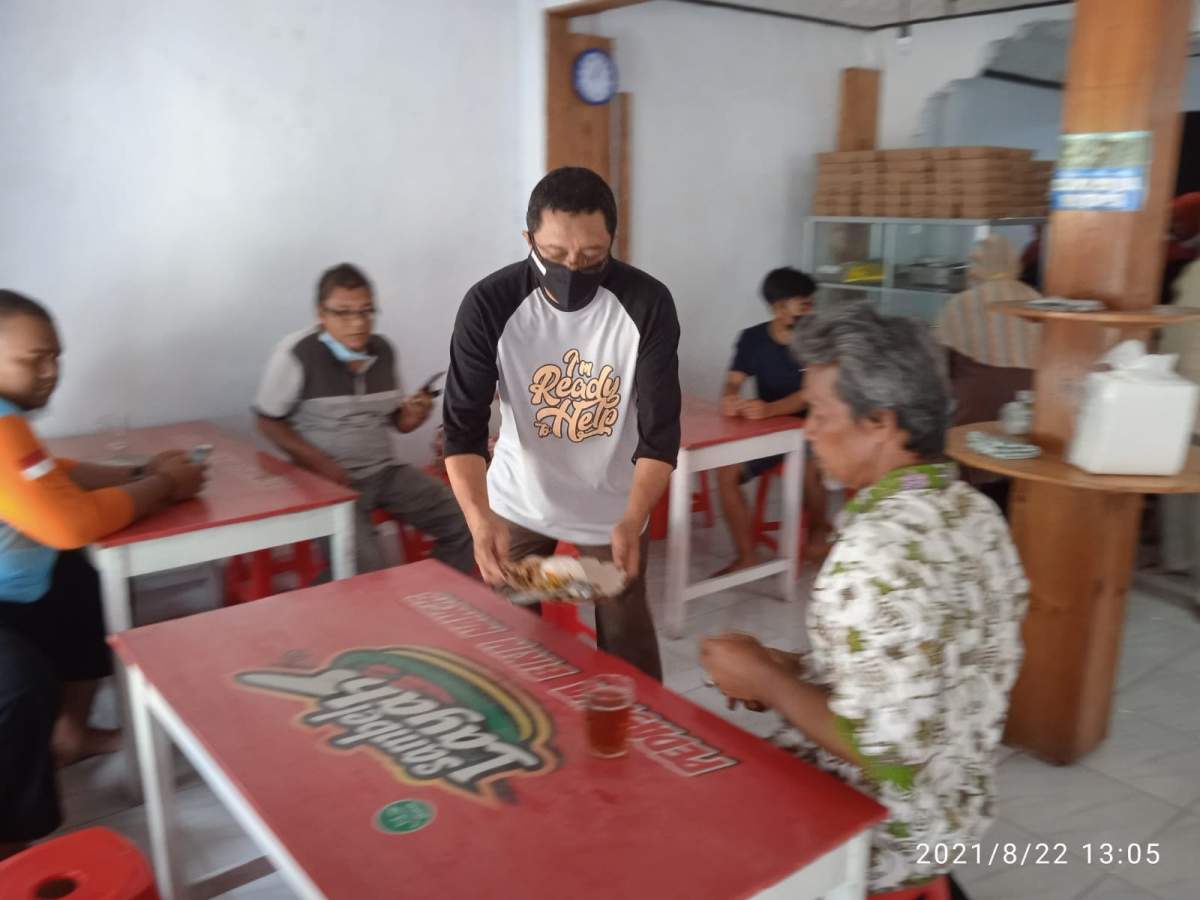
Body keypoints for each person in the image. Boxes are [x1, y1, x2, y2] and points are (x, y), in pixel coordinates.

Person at [700, 304, 1028, 895]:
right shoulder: (974, 512)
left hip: (889, 831)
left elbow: (890, 759)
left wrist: (766, 681)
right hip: (959, 804)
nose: (807, 429)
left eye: (821, 413)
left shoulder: (876, 554)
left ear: (880, 422)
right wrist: (793, 667)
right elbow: (922, 664)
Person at [443, 167, 680, 680]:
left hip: (612, 504)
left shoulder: (646, 303)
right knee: (505, 648)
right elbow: (462, 429)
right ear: (528, 239)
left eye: (592, 256)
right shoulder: (489, 304)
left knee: (628, 659)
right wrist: (479, 519)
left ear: (613, 240)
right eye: (555, 254)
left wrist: (634, 516)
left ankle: (639, 744)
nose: (573, 268)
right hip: (520, 498)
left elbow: (661, 435)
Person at [0, 290, 207, 857]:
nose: (51, 373)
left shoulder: (10, 419)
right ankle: (12, 843)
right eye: (33, 359)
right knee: (18, 681)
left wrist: (137, 470)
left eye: (56, 357)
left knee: (80, 583)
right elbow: (71, 522)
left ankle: (70, 734)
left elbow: (51, 473)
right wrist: (164, 486)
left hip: (18, 588)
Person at [254, 264, 474, 575]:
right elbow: (267, 421)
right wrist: (320, 464)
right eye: (343, 313)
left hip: (383, 472)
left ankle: (427, 598)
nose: (358, 322)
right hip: (326, 480)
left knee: (470, 523)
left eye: (366, 311)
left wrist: (413, 415)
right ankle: (334, 607)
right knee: (365, 565)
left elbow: (396, 421)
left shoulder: (382, 350)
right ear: (321, 313)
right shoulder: (297, 354)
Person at [715, 267, 828, 574]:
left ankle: (819, 531)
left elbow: (809, 394)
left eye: (810, 303)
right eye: (802, 304)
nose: (809, 310)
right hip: (772, 430)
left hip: (817, 427)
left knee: (807, 467)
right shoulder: (752, 339)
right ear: (778, 307)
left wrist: (768, 409)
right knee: (726, 474)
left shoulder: (817, 340)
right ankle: (746, 554)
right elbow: (734, 379)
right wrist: (731, 397)